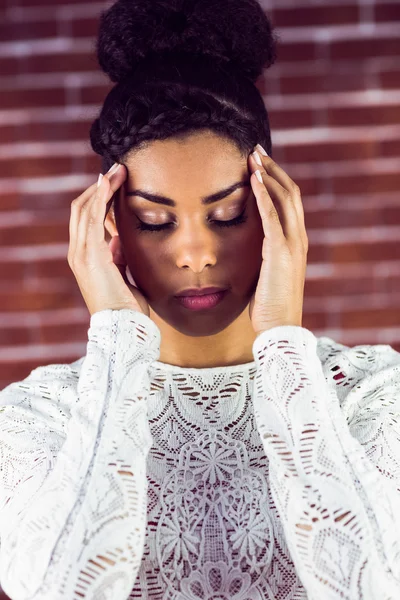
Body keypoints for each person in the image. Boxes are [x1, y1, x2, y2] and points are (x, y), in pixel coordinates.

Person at [1, 0, 400, 598]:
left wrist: (283, 346)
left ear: (275, 210)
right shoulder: (41, 417)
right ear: (110, 227)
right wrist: (117, 340)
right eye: (155, 221)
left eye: (229, 214)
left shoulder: (372, 394)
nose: (195, 253)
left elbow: (375, 584)